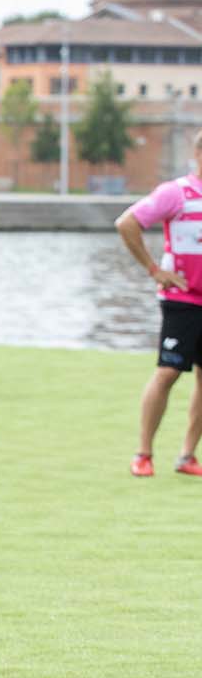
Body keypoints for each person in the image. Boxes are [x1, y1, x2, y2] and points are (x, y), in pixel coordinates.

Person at [114, 128, 202, 478]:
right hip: (182, 300)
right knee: (168, 372)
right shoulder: (176, 193)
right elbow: (127, 223)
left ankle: (187, 456)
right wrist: (153, 269)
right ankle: (144, 453)